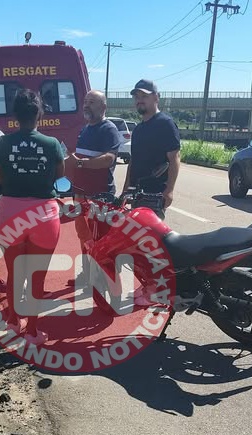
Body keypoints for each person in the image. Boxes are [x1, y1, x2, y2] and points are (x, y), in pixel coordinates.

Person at [0, 89, 66, 345]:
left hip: (11, 211)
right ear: (39, 114)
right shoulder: (52, 144)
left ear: (15, 115)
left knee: (15, 272)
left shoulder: (3, 143)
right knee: (37, 275)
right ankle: (33, 331)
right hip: (44, 214)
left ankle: (13, 321)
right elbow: (59, 174)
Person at [64, 89, 122, 287]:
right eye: (85, 101)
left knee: (102, 239)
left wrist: (80, 164)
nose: (86, 105)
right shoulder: (85, 129)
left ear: (103, 107)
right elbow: (77, 159)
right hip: (80, 194)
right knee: (84, 236)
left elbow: (108, 159)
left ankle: (106, 280)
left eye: (92, 102)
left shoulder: (109, 129)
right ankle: (87, 275)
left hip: (100, 196)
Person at [122, 79, 181, 220]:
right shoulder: (138, 129)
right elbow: (133, 161)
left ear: (156, 97)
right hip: (137, 194)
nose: (139, 100)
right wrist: (126, 189)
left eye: (144, 96)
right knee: (135, 237)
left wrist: (169, 190)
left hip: (155, 195)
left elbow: (175, 158)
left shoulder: (165, 124)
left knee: (150, 239)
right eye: (137, 97)